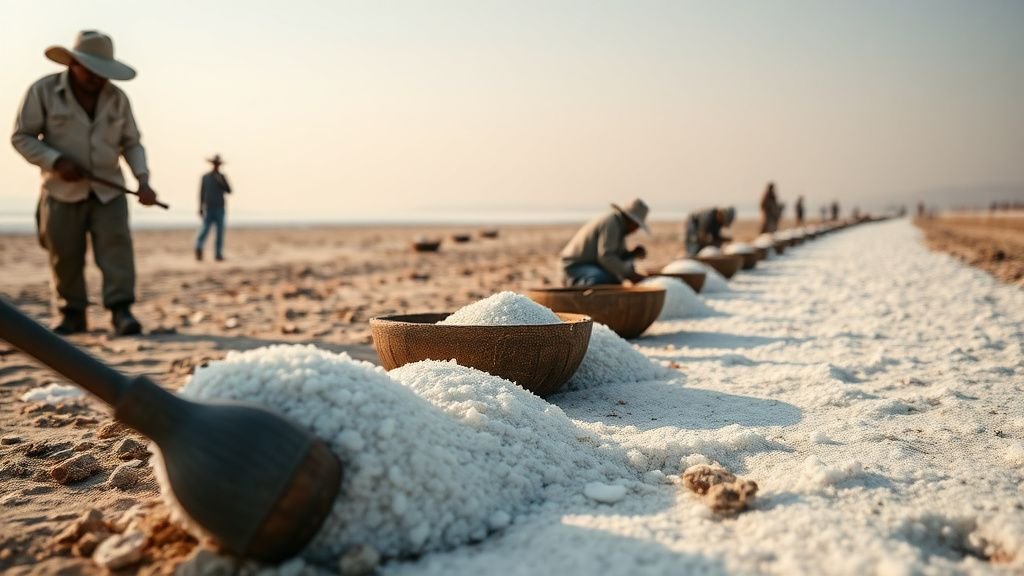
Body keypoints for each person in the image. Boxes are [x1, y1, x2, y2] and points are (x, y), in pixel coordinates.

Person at [11, 31, 160, 336]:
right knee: (64, 253)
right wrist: (55, 161)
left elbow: (132, 143)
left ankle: (121, 311)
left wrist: (142, 179)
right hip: (60, 191)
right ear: (73, 64)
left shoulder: (117, 99)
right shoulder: (44, 91)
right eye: (91, 71)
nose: (97, 79)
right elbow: (22, 136)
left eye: (102, 73)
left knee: (117, 250)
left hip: (109, 190)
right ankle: (72, 313)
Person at [560, 199, 650, 286]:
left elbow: (615, 256)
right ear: (630, 220)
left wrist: (632, 254)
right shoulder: (612, 223)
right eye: (636, 225)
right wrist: (630, 274)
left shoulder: (619, 226)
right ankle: (575, 285)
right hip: (575, 266)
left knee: (616, 278)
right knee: (601, 278)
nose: (636, 230)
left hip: (593, 264)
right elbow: (606, 257)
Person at [195, 154, 232, 261]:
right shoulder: (205, 177)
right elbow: (201, 193)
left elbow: (229, 191)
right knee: (205, 229)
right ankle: (198, 247)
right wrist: (200, 207)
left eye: (218, 164)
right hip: (209, 208)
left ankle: (218, 254)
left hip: (220, 208)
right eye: (215, 164)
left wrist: (221, 182)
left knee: (220, 232)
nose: (216, 166)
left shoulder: (222, 177)